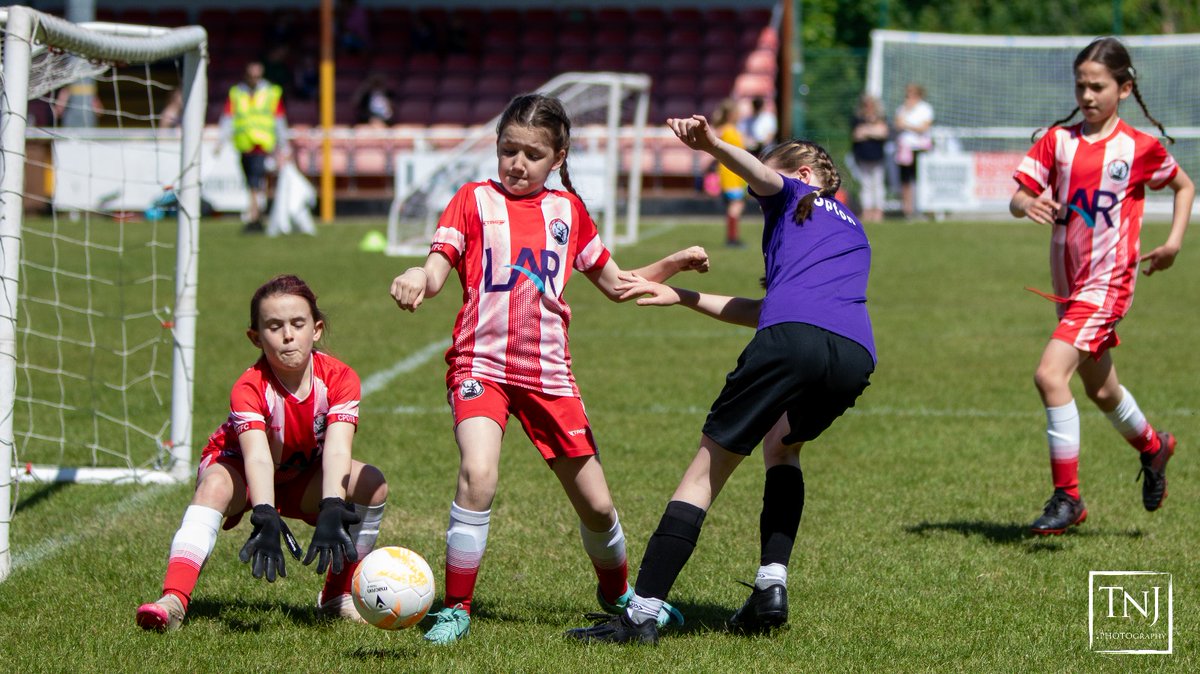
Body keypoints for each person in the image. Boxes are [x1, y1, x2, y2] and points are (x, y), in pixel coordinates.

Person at [389, 93, 711, 645]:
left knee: (598, 505)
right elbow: (438, 268)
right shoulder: (471, 200)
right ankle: (457, 607)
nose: (517, 164)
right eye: (508, 150)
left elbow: (616, 284)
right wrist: (418, 277)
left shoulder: (570, 213)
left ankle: (619, 596)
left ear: (558, 157)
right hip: (480, 365)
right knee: (478, 473)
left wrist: (675, 264)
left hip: (548, 373)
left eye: (532, 155)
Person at [566, 114, 875, 645]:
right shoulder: (850, 227)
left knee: (705, 472)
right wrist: (683, 296)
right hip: (854, 354)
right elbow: (770, 310)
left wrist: (713, 145)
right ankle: (770, 585)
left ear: (802, 173)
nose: (757, 193)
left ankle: (641, 614)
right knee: (783, 447)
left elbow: (764, 178)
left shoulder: (792, 194)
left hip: (794, 341)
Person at [1009, 37, 1193, 536]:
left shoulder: (1138, 148)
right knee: (1102, 388)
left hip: (1109, 283)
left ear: (1124, 88)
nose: (1088, 95)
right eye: (1081, 85)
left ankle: (1068, 498)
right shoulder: (1058, 141)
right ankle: (1155, 448)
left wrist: (1174, 242)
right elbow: (1019, 196)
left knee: (1050, 375)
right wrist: (1027, 205)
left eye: (1099, 86)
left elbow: (1184, 185)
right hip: (1069, 287)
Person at [135, 275, 389, 631]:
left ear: (315, 330)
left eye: (297, 324)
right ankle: (173, 601)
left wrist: (333, 504)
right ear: (256, 337)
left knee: (372, 484)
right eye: (274, 326)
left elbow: (337, 450)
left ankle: (337, 596)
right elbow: (255, 457)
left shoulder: (340, 377)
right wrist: (265, 512)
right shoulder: (249, 386)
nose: (288, 335)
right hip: (241, 470)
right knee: (214, 488)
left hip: (301, 475)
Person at [218, 61, 289, 234]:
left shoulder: (271, 92)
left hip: (263, 145)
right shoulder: (236, 93)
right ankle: (256, 215)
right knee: (251, 182)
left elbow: (279, 120)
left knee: (255, 182)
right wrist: (221, 140)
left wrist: (283, 145)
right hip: (244, 145)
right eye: (252, 76)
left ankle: (255, 216)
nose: (255, 79)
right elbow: (228, 117)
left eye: (258, 76)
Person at [893, 83, 933, 220]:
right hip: (905, 149)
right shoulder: (902, 109)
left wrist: (907, 125)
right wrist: (907, 122)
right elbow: (897, 124)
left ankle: (920, 208)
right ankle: (908, 210)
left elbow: (923, 128)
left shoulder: (925, 109)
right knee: (905, 181)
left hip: (919, 149)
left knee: (919, 180)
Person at [712, 98, 748, 247]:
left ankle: (733, 237)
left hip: (735, 173)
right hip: (730, 173)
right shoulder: (727, 130)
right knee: (736, 205)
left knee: (736, 205)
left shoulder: (731, 130)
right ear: (732, 114)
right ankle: (732, 239)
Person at [851, 94, 888, 224]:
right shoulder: (858, 118)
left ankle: (878, 211)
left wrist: (867, 131)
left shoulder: (881, 117)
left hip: (877, 156)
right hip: (862, 156)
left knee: (878, 184)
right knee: (865, 185)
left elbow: (883, 133)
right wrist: (873, 131)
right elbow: (857, 134)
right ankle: (867, 211)